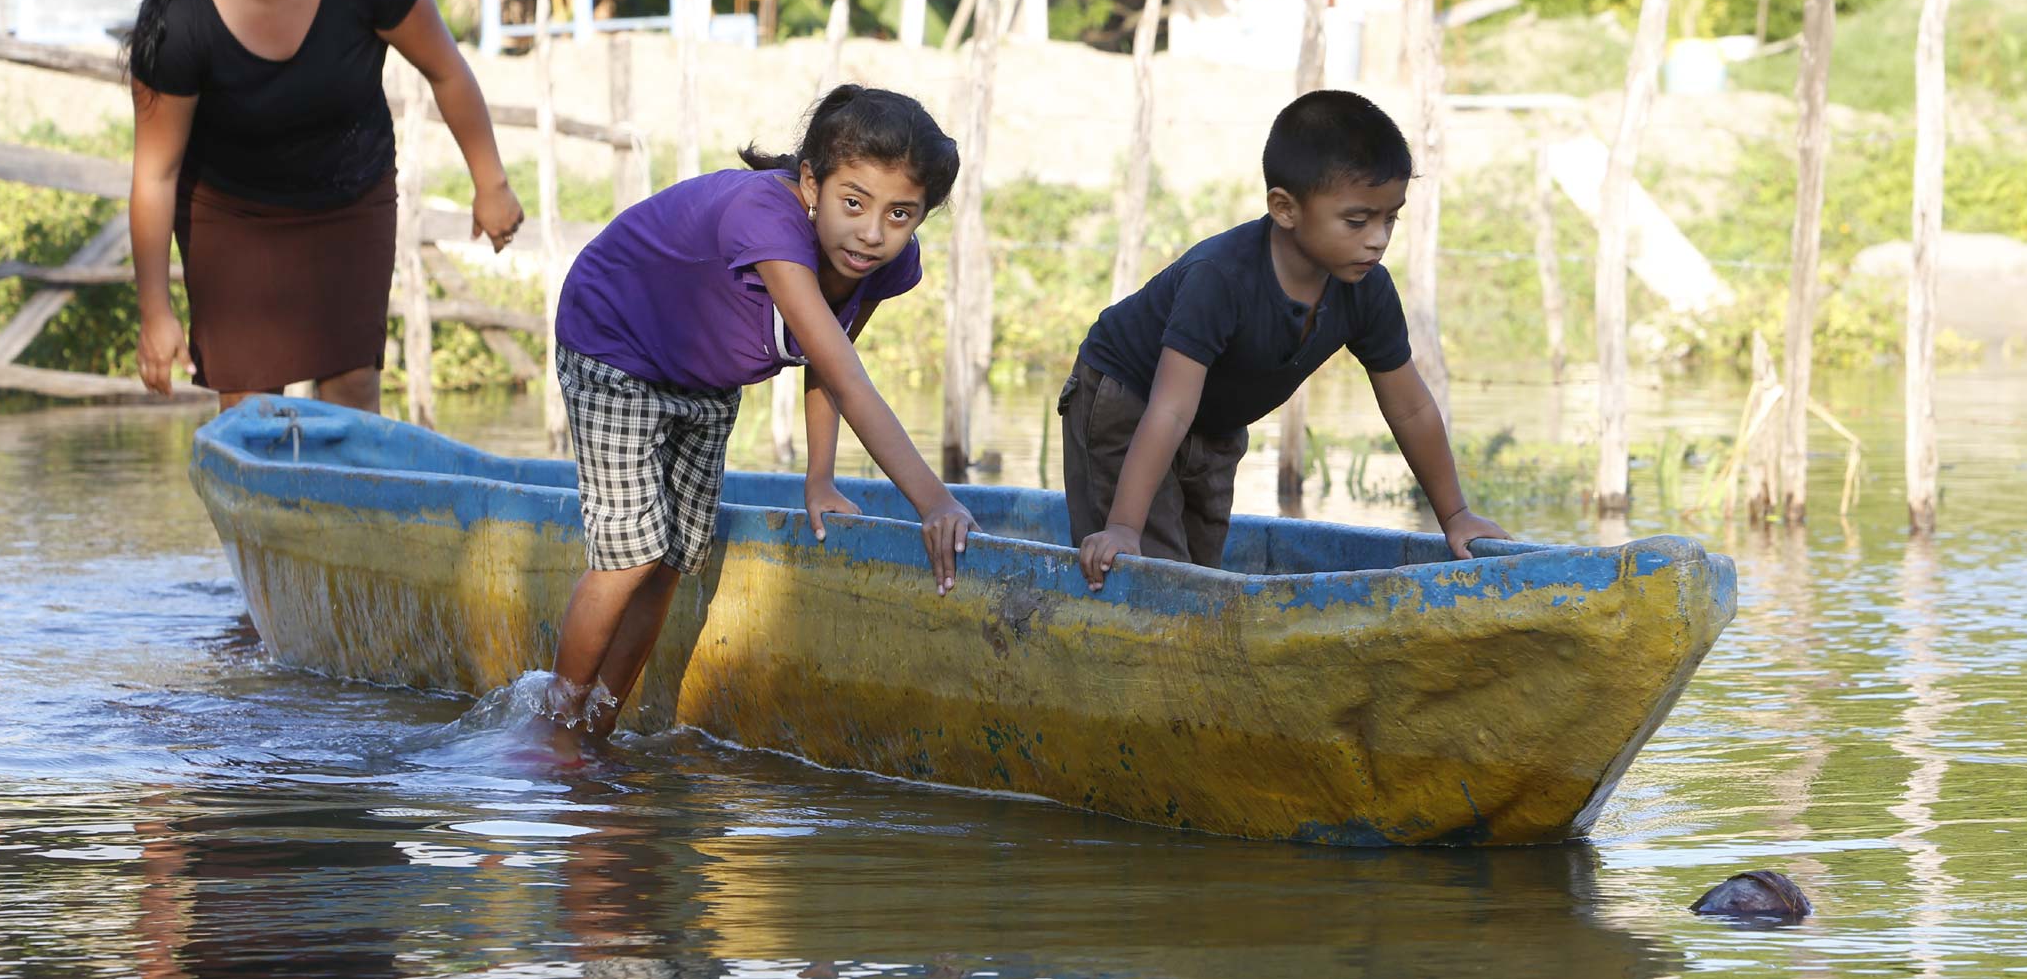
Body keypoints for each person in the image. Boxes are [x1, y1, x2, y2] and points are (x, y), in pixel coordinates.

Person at [545, 85, 979, 753]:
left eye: (901, 215)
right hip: (614, 343)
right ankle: (555, 729)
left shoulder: (884, 266)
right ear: (812, 182)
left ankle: (599, 725)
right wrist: (934, 501)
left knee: (672, 561)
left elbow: (831, 363)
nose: (871, 232)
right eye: (854, 203)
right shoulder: (766, 219)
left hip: (704, 378)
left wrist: (821, 478)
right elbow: (851, 380)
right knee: (629, 556)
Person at [125, 0, 525, 410]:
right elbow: (155, 176)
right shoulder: (180, 25)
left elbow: (446, 69)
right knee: (250, 405)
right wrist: (155, 313)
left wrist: (491, 183)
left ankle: (349, 504)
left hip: (349, 197)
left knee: (352, 384)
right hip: (232, 214)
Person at [1063, 89, 1510, 589]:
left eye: (1391, 218)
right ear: (1285, 208)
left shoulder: (1366, 290)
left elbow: (1410, 408)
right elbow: (1168, 410)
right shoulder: (1220, 279)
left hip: (1214, 421)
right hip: (1128, 399)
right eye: (1357, 221)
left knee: (1202, 572)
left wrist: (1456, 516)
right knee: (1153, 574)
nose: (1378, 238)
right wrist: (1123, 527)